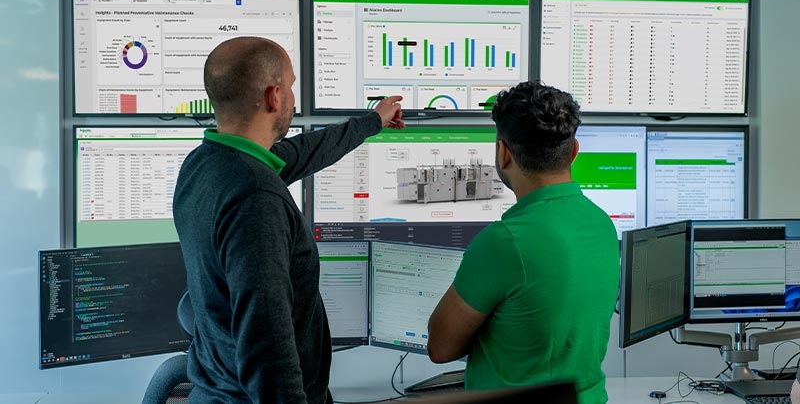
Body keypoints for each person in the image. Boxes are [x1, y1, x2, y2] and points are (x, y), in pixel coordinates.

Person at [173, 36, 404, 404]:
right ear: (274, 97)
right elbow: (267, 344)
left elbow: (299, 153)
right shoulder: (255, 197)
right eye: (292, 86)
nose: (294, 100)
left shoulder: (206, 164)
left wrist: (372, 121)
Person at [426, 80, 619, 404]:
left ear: (503, 154)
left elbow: (440, 348)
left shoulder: (504, 241)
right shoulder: (603, 224)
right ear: (573, 151)